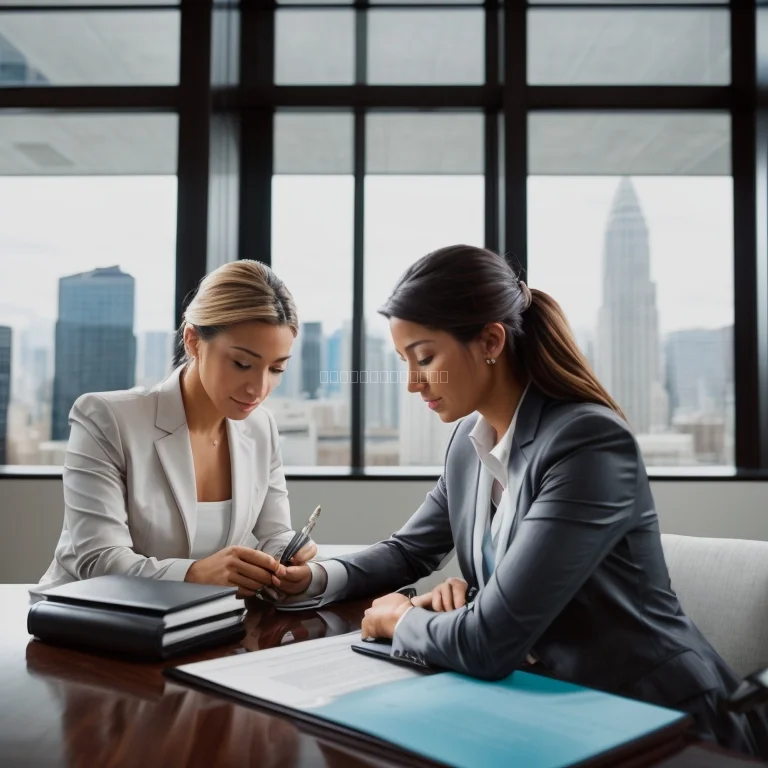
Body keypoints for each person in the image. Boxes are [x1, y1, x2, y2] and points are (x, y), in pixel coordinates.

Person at [277, 245, 768, 757]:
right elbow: (409, 552)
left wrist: (400, 619)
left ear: (490, 340)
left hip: (659, 723)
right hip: (544, 706)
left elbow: (490, 640)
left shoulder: (587, 442)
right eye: (404, 362)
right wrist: (313, 579)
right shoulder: (471, 441)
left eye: (424, 358)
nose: (412, 383)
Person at [39, 260, 316, 595]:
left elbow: (275, 533)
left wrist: (286, 556)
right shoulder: (105, 418)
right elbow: (99, 560)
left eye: (276, 369)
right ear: (193, 341)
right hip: (92, 623)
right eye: (242, 364)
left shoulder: (261, 427)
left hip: (204, 625)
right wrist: (195, 574)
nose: (258, 388)